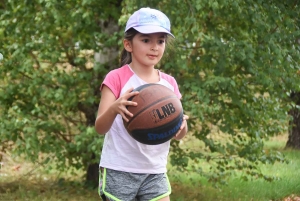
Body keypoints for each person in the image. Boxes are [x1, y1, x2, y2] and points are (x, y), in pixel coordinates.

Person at [95, 7, 189, 201]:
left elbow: (178, 134)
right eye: (146, 40)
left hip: (155, 171)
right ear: (128, 44)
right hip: (119, 169)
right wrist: (114, 109)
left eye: (160, 41)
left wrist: (181, 126)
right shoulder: (116, 78)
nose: (154, 47)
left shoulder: (169, 84)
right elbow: (100, 128)